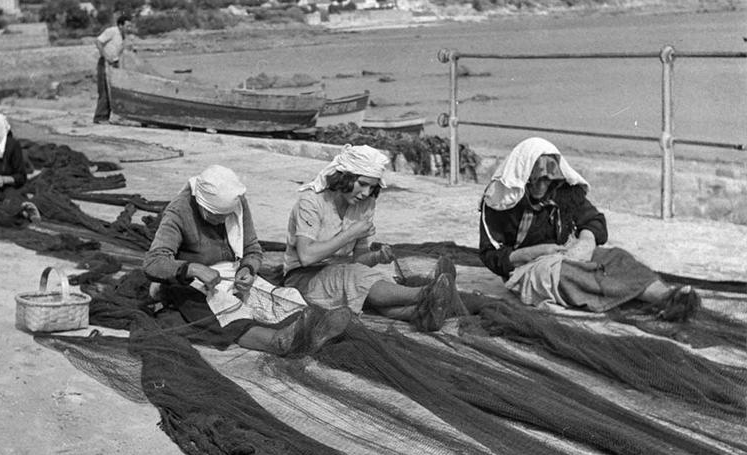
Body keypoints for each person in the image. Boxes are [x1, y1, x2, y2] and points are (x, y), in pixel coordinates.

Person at [478, 137, 700, 321]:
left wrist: (585, 242)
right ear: (524, 176)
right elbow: (491, 255)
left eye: (548, 181)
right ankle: (655, 300)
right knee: (571, 275)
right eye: (535, 181)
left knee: (617, 258)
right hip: (528, 267)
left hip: (566, 252)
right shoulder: (501, 200)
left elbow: (593, 220)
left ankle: (667, 295)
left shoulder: (564, 192)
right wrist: (536, 252)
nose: (541, 187)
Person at [143, 165, 352, 356]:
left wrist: (248, 269)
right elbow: (153, 262)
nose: (223, 220)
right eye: (216, 215)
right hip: (192, 283)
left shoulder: (237, 203)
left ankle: (314, 331)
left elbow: (252, 248)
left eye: (226, 215)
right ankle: (277, 342)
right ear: (200, 203)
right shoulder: (179, 211)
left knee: (276, 295)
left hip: (230, 272)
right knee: (224, 310)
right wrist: (194, 268)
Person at [282, 144, 469, 333]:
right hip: (303, 279)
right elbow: (306, 256)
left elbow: (358, 259)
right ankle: (425, 294)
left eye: (371, 187)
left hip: (341, 273)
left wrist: (376, 257)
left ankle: (420, 314)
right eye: (362, 184)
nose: (365, 193)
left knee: (370, 282)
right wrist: (350, 234)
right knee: (357, 279)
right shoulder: (311, 201)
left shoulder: (365, 204)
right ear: (345, 177)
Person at [93, 14, 132, 124]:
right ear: (120, 25)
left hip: (114, 64)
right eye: (127, 26)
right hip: (105, 63)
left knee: (112, 91)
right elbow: (98, 41)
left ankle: (110, 116)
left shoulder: (123, 36)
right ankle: (100, 117)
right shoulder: (111, 31)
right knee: (104, 90)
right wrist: (106, 56)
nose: (129, 29)